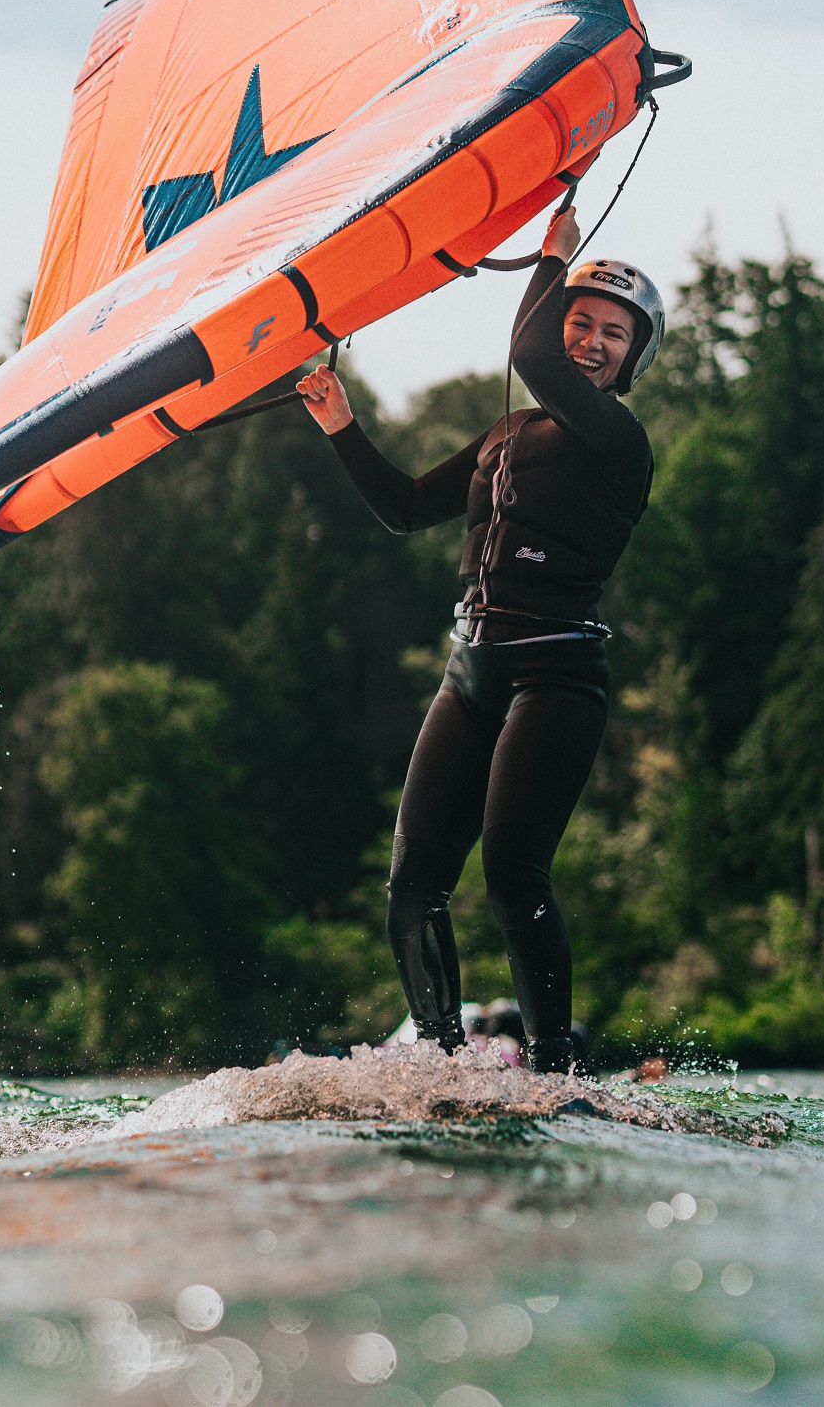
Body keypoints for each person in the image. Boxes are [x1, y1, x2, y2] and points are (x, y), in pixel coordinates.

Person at [296, 205, 664, 1075]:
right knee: (412, 886)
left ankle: (553, 1070)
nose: (588, 340)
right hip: (470, 673)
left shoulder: (620, 442)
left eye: (613, 333)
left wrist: (551, 256)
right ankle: (443, 1068)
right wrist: (340, 424)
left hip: (557, 674)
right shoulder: (503, 434)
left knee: (511, 873)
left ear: (633, 358)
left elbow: (527, 353)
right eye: (578, 319)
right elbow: (402, 509)